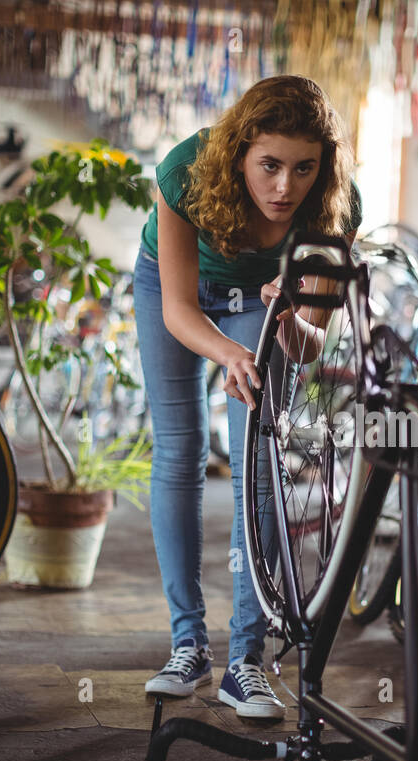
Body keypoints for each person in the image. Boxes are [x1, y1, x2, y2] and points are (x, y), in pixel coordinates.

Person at [132, 75, 361, 718]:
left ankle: (245, 664)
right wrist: (229, 353)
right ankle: (187, 647)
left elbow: (315, 343)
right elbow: (179, 310)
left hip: (260, 302)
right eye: (269, 165)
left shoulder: (336, 207)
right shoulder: (186, 171)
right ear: (240, 154)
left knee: (256, 466)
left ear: (324, 165)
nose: (286, 186)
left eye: (304, 167)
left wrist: (291, 326)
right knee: (180, 450)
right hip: (171, 290)